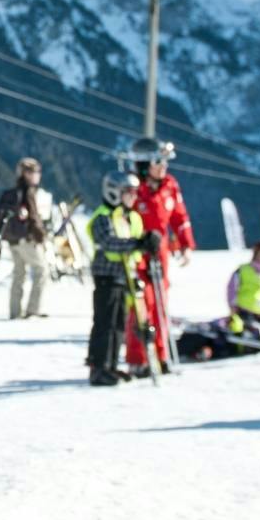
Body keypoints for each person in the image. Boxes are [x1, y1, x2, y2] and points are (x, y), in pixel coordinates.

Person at [126, 136, 193, 365]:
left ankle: (162, 354)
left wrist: (185, 244)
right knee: (141, 304)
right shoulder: (133, 188)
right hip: (138, 250)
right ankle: (139, 358)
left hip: (161, 249)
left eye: (165, 162)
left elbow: (179, 216)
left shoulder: (170, 185)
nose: (163, 167)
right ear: (145, 165)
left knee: (161, 303)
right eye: (158, 162)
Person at [85, 170, 145, 386]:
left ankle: (111, 365)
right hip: (106, 276)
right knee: (105, 322)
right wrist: (136, 244)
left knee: (119, 323)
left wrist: (142, 246)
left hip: (123, 276)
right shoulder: (102, 217)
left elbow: (129, 244)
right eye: (128, 193)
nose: (133, 197)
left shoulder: (124, 217)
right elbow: (109, 243)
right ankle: (98, 366)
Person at [0, 157, 51, 320]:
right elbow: (33, 217)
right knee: (42, 270)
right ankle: (32, 310)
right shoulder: (29, 192)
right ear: (26, 174)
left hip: (12, 240)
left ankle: (15, 312)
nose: (38, 175)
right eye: (35, 172)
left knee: (19, 274)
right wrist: (41, 236)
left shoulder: (13, 193)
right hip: (26, 239)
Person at [227, 240, 260, 342]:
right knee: (253, 331)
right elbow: (231, 289)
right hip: (245, 311)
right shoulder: (243, 270)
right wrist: (233, 306)